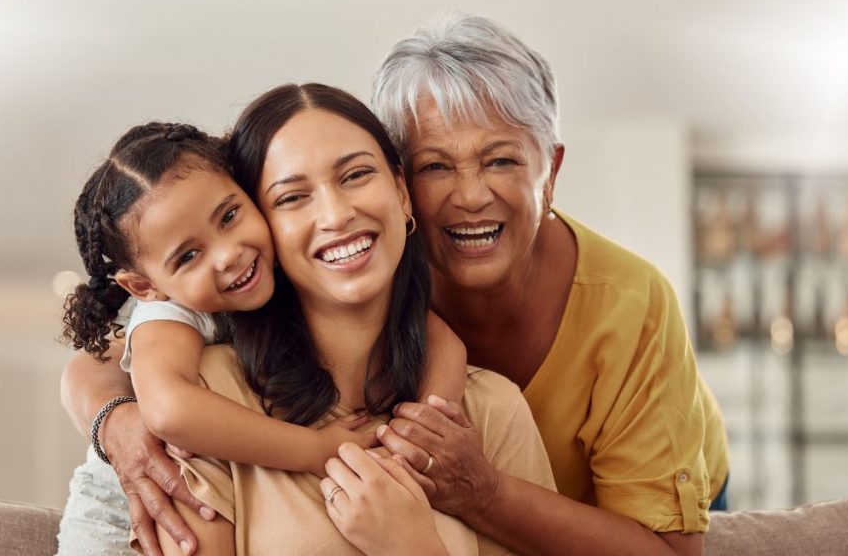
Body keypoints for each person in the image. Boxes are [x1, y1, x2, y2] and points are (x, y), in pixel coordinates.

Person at [365, 14, 730, 555]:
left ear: (551, 171)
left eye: (501, 159)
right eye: (435, 167)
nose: (469, 196)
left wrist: (482, 492)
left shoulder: (633, 302)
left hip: (667, 494)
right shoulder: (369, 283)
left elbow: (670, 551)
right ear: (399, 185)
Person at [150, 81, 553, 555]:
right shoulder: (212, 396)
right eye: (292, 197)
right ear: (262, 231)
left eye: (356, 175)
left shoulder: (493, 411)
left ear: (402, 194)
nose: (337, 214)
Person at [55, 121, 466, 555]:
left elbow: (438, 338)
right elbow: (169, 411)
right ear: (144, 287)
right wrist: (315, 449)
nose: (228, 253)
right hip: (118, 518)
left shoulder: (279, 271)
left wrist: (418, 442)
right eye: (189, 255)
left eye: (230, 216)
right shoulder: (166, 314)